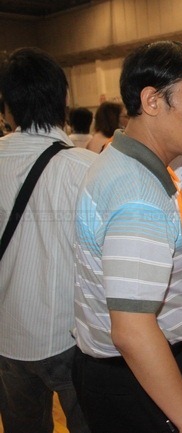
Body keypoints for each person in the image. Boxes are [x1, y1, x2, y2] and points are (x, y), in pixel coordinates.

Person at [72, 40, 182, 433]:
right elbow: (134, 332)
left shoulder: (121, 162)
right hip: (134, 379)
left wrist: (179, 326)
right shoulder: (139, 196)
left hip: (119, 371)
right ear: (152, 100)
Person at [0, 47, 95, 433]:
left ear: (8, 107)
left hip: (7, 337)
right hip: (72, 335)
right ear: (64, 101)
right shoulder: (86, 168)